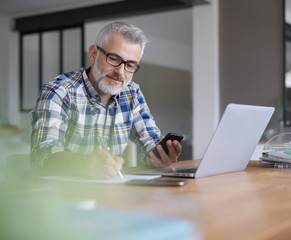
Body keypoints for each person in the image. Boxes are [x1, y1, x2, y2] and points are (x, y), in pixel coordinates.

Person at [30, 22, 182, 179]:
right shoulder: (59, 91)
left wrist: (159, 157)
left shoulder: (132, 93)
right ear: (93, 54)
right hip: (55, 195)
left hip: (107, 191)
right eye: (114, 59)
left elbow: (149, 142)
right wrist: (83, 165)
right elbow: (43, 154)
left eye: (130, 65)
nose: (120, 72)